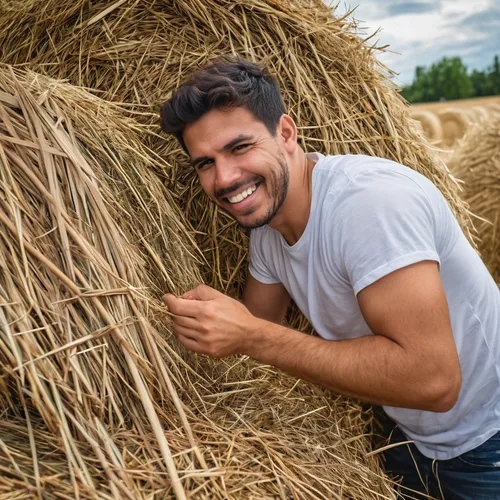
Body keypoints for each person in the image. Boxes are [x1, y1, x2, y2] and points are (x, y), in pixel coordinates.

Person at [159, 56, 500, 499]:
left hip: (486, 443)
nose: (224, 178)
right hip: (404, 438)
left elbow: (434, 381)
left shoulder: (368, 206)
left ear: (286, 133)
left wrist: (251, 336)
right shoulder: (267, 231)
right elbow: (250, 335)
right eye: (205, 163)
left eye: (239, 147)